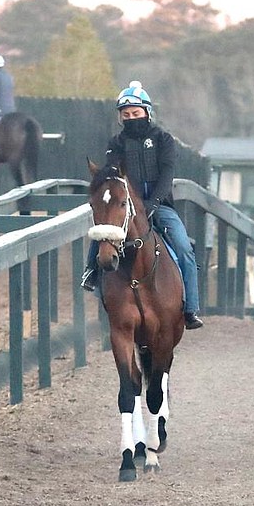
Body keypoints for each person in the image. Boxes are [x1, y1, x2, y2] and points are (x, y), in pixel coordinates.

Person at [80, 81, 204, 330]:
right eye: (126, 115)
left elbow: (167, 173)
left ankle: (190, 307)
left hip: (161, 205)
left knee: (184, 247)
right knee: (104, 231)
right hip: (126, 206)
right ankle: (91, 272)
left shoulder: (164, 139)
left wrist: (154, 202)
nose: (131, 118)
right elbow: (114, 174)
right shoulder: (116, 143)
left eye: (136, 113)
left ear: (147, 112)